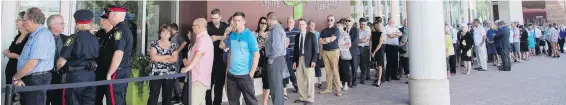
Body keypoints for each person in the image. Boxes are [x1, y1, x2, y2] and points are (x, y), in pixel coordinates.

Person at [54, 10, 99, 105]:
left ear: (76, 22)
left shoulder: (73, 38)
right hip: (90, 75)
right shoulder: (95, 39)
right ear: (89, 22)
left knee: (71, 101)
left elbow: (61, 61)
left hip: (75, 77)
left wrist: (56, 70)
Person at [12, 7, 55, 105]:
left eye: (24, 20)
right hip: (32, 78)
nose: (23, 23)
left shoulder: (42, 35)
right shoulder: (35, 34)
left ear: (31, 21)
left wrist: (16, 77)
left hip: (36, 80)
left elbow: (32, 63)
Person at [225, 12, 260, 105]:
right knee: (233, 102)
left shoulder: (249, 35)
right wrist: (228, 69)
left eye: (239, 21)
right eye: (235, 20)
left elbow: (256, 54)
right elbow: (227, 49)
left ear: (244, 21)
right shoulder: (232, 35)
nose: (237, 23)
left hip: (245, 75)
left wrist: (251, 74)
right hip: (232, 75)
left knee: (251, 102)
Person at [180, 18, 214, 105]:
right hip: (195, 78)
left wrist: (188, 67)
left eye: (193, 26)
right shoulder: (200, 39)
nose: (192, 28)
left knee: (195, 102)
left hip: (199, 79)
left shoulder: (204, 39)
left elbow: (199, 54)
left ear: (198, 27)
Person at [105, 5, 134, 105]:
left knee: (114, 100)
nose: (107, 16)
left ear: (114, 14)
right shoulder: (125, 28)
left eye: (109, 13)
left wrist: (110, 73)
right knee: (120, 99)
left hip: (117, 71)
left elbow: (118, 53)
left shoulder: (119, 31)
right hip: (122, 69)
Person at [147, 24, 178, 105]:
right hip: (156, 74)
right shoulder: (155, 43)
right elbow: (153, 58)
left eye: (168, 33)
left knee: (167, 97)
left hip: (170, 74)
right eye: (163, 32)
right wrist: (168, 56)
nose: (165, 34)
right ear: (160, 33)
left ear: (170, 34)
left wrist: (160, 58)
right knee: (153, 96)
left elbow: (174, 59)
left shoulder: (173, 45)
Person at [291, 19, 318, 105]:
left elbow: (315, 49)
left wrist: (314, 60)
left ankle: (310, 99)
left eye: (303, 24)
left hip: (309, 60)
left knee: (309, 80)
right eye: (300, 24)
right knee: (300, 80)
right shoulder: (297, 36)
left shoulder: (311, 35)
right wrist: (294, 61)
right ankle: (302, 97)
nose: (301, 26)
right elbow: (295, 50)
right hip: (299, 59)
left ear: (306, 25)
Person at [205, 8, 229, 105]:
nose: (214, 20)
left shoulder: (225, 26)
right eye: (212, 18)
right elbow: (208, 39)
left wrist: (217, 37)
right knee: (208, 87)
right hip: (209, 60)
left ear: (220, 17)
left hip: (222, 60)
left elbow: (230, 37)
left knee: (219, 87)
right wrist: (222, 36)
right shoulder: (208, 26)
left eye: (216, 18)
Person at [264, 12, 287, 105]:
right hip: (278, 60)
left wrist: (270, 59)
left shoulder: (276, 30)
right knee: (278, 86)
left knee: (275, 87)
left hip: (275, 61)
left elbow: (277, 48)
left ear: (269, 20)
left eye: (267, 21)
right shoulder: (277, 29)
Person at [42, 14, 65, 105]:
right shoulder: (43, 38)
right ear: (52, 25)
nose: (63, 25)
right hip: (45, 76)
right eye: (61, 23)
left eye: (63, 23)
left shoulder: (65, 38)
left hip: (59, 77)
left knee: (58, 100)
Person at [94, 9, 116, 105]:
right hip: (99, 70)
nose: (100, 22)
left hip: (111, 70)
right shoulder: (99, 33)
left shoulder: (116, 34)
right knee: (97, 96)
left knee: (111, 97)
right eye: (101, 20)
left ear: (110, 21)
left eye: (103, 20)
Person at [318, 15, 342, 96]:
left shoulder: (336, 30)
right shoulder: (323, 31)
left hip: (334, 52)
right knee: (327, 71)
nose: (330, 21)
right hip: (325, 52)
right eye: (328, 20)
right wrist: (327, 40)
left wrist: (325, 39)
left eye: (331, 19)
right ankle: (328, 88)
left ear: (334, 21)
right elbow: (320, 42)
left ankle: (338, 89)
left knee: (335, 71)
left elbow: (333, 39)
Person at [3, 11, 29, 86]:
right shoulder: (18, 36)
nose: (15, 21)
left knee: (17, 96)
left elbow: (29, 58)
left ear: (24, 22)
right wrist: (7, 51)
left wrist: (16, 56)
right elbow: (12, 50)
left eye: (18, 20)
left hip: (20, 74)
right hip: (10, 71)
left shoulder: (30, 38)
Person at [168, 23, 185, 104]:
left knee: (175, 78)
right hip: (173, 60)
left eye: (169, 29)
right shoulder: (173, 37)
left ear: (172, 29)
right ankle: (176, 95)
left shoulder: (178, 36)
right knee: (173, 77)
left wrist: (177, 51)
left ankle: (179, 96)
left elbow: (184, 43)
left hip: (176, 61)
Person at [284, 17, 300, 93]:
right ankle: (295, 84)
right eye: (288, 22)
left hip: (295, 55)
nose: (289, 23)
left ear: (294, 23)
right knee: (289, 69)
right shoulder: (284, 31)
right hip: (286, 54)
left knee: (290, 69)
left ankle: (295, 84)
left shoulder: (298, 31)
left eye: (291, 22)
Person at [344, 17, 360, 88]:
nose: (347, 22)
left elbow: (355, 41)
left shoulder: (355, 30)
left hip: (353, 52)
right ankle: (347, 82)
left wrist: (346, 46)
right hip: (345, 52)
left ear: (352, 22)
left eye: (349, 20)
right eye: (346, 20)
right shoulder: (344, 30)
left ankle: (354, 83)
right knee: (346, 68)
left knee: (354, 68)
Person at [336, 19, 352, 92]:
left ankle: (346, 84)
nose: (337, 27)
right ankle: (340, 83)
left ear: (342, 26)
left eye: (339, 25)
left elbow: (349, 44)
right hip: (337, 54)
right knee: (339, 70)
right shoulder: (336, 34)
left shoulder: (345, 34)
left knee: (345, 70)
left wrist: (339, 47)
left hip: (344, 54)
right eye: (337, 26)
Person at [370, 17, 385, 87]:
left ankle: (379, 80)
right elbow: (370, 42)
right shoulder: (372, 33)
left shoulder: (381, 33)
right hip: (373, 51)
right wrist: (370, 50)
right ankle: (377, 78)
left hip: (379, 51)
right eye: (375, 24)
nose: (376, 25)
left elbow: (380, 44)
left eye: (377, 24)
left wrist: (375, 51)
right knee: (376, 66)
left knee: (379, 65)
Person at [308, 20, 323, 88]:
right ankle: (311, 83)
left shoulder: (317, 33)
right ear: (308, 26)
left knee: (317, 68)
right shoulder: (307, 33)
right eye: (311, 25)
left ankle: (319, 82)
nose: (313, 26)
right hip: (309, 54)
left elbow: (320, 44)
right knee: (310, 68)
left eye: (314, 25)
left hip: (316, 53)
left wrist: (320, 53)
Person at [357, 18, 371, 85]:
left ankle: (363, 78)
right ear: (359, 24)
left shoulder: (368, 32)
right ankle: (364, 76)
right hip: (358, 48)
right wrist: (360, 40)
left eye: (364, 24)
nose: (363, 26)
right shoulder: (357, 31)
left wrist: (359, 40)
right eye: (362, 24)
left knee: (364, 64)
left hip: (365, 48)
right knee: (359, 63)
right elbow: (355, 40)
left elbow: (365, 40)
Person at [399, 18, 409, 84]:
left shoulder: (406, 32)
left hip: (405, 51)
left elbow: (402, 42)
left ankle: (409, 78)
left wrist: (400, 44)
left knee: (406, 64)